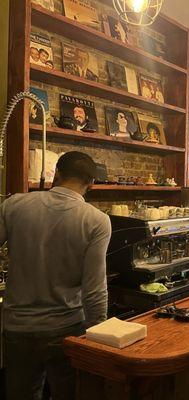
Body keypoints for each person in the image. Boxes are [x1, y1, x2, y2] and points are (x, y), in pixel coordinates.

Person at [0, 151, 112, 400]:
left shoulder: (14, 204)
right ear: (91, 183)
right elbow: (95, 289)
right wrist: (97, 337)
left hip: (17, 327)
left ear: (56, 174)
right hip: (66, 328)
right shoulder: (97, 221)